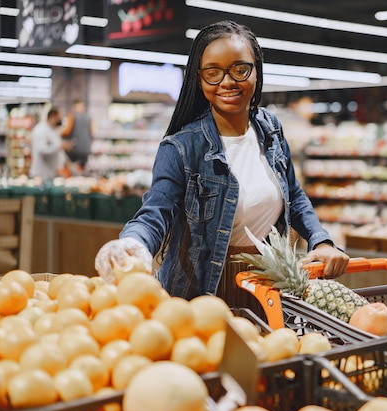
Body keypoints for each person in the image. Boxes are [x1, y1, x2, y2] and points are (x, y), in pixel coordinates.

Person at [95, 20, 349, 306]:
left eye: (240, 69)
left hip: (268, 285)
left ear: (256, 71)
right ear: (199, 78)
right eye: (213, 73)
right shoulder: (181, 147)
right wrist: (132, 244)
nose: (227, 82)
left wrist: (321, 240)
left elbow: (294, 195)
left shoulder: (270, 129)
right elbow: (156, 211)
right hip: (202, 291)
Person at [29, 107, 70, 181]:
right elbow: (41, 150)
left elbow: (58, 150)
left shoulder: (54, 130)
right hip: (41, 175)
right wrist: (59, 146)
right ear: (52, 116)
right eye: (59, 118)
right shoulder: (40, 130)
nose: (60, 121)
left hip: (52, 174)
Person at [61, 98, 94, 171]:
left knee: (71, 168)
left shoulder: (72, 116)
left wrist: (59, 132)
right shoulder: (88, 117)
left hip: (74, 149)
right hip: (86, 149)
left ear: (74, 106)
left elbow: (67, 131)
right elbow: (92, 132)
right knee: (82, 169)